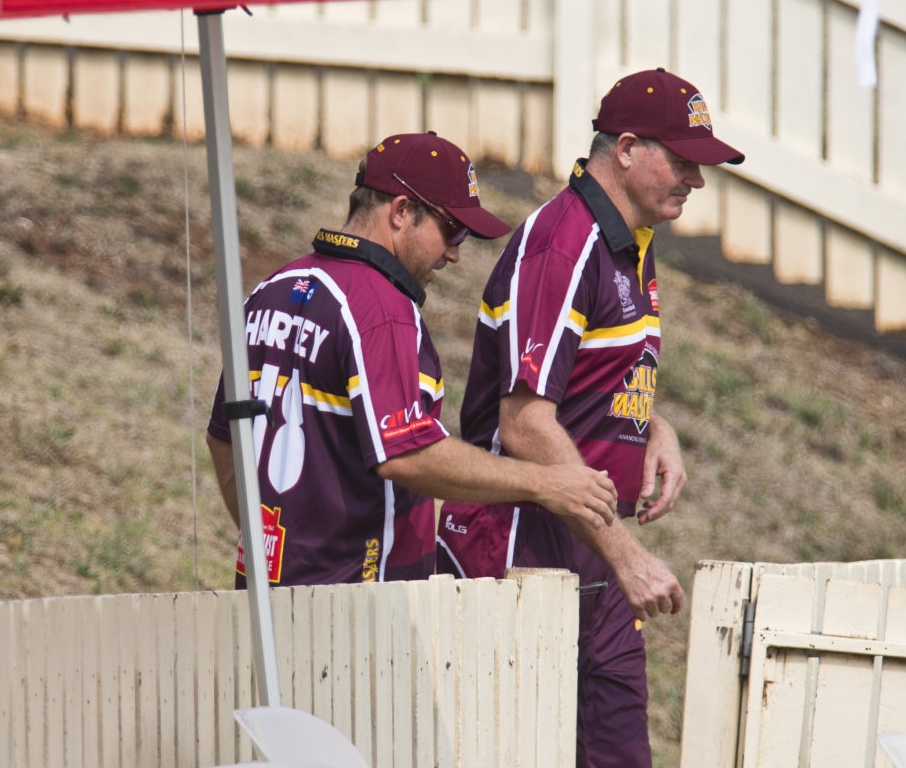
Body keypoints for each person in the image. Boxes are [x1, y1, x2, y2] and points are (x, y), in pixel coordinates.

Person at [435, 68, 746, 768]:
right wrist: (626, 553)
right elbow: (523, 422)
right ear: (628, 148)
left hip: (592, 561)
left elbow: (591, 370)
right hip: (516, 552)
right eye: (683, 159)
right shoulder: (561, 243)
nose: (695, 180)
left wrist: (652, 425)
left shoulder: (634, 238)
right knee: (516, 756)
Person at [205, 131, 618, 588]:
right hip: (356, 610)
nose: (455, 253)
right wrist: (546, 482)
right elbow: (405, 454)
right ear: (401, 212)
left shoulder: (273, 287)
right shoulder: (381, 307)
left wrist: (263, 540)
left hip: (267, 594)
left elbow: (224, 438)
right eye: (452, 230)